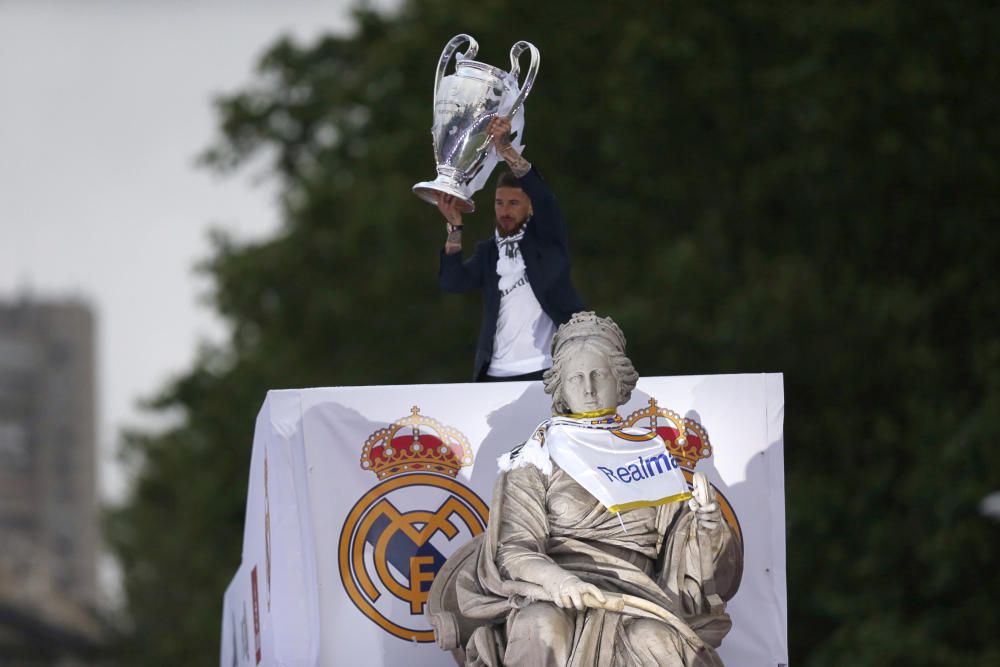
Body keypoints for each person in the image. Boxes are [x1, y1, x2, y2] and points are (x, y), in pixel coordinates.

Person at [426, 312, 743, 666]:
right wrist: (560, 582)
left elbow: (690, 566)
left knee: (657, 641)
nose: (589, 389)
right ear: (560, 387)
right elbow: (514, 550)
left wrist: (710, 526)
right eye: (576, 378)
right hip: (554, 593)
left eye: (599, 375)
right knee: (541, 626)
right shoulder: (535, 457)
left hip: (640, 598)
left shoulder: (650, 456)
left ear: (620, 381)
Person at [436, 116, 584, 382]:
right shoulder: (489, 252)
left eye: (514, 203)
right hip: (496, 374)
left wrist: (506, 150)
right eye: (499, 203)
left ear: (530, 207)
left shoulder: (547, 240)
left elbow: (544, 198)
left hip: (549, 370)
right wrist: (455, 228)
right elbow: (453, 282)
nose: (504, 211)